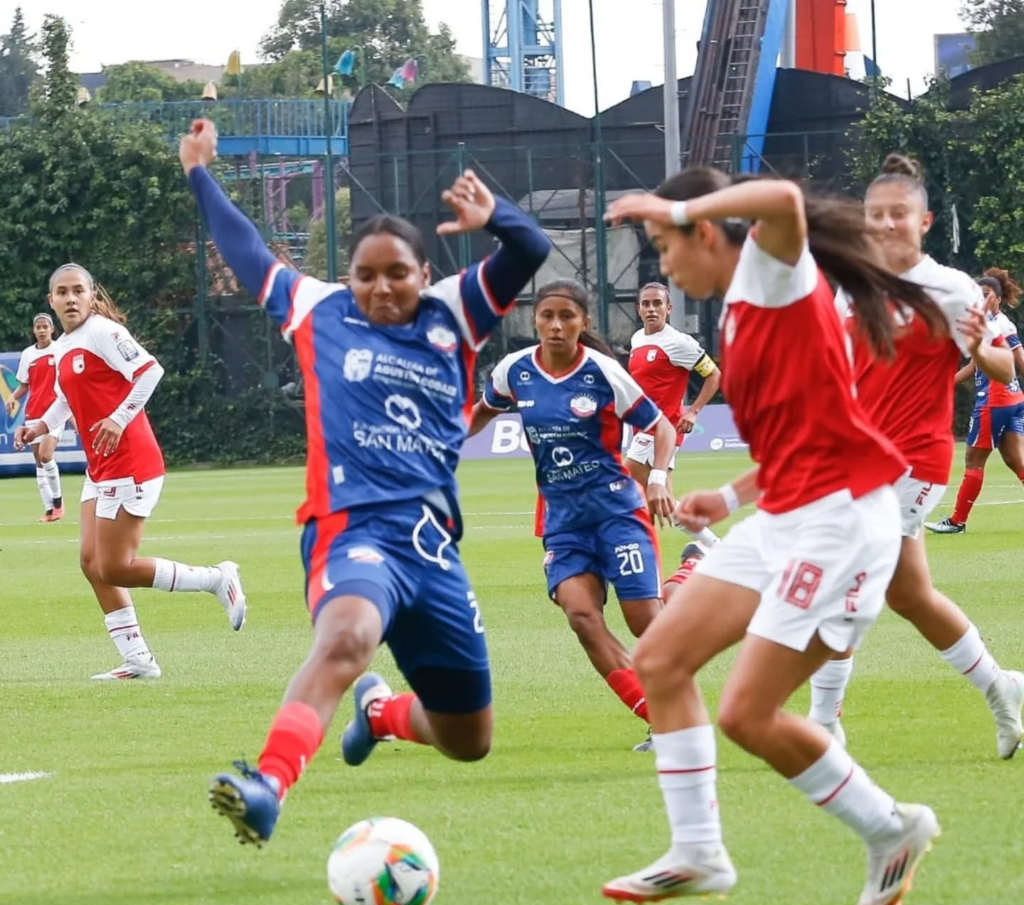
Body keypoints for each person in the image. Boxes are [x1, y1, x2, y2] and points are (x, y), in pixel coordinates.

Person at [177, 119, 552, 848]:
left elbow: (530, 249)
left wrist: (494, 216)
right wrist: (199, 171)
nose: (382, 287)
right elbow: (247, 248)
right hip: (352, 526)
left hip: (434, 548)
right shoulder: (317, 310)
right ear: (348, 279)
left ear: (422, 273)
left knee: (468, 738)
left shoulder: (456, 312)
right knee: (346, 640)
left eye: (398, 273)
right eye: (367, 274)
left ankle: (379, 716)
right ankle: (267, 785)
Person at [599, 167, 950, 905]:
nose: (661, 263)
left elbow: (783, 199)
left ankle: (891, 829)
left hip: (844, 524)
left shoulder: (770, 268)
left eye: (664, 242)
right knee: (660, 659)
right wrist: (728, 497)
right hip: (787, 516)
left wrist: (680, 202)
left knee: (747, 715)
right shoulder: (737, 313)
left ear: (702, 231)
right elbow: (806, 434)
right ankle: (698, 853)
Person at [806, 158, 1022, 760]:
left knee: (848, 578)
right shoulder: (853, 283)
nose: (885, 224)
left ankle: (823, 726)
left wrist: (981, 343)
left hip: (913, 462)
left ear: (923, 220)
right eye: (875, 215)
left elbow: (1005, 368)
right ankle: (1001, 687)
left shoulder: (951, 288)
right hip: (859, 457)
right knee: (911, 595)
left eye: (897, 214)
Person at [469, 279, 675, 750]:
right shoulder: (513, 372)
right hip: (564, 523)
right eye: (547, 316)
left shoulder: (603, 371)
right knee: (581, 616)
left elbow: (658, 426)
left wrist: (659, 477)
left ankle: (685, 579)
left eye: (567, 317)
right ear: (533, 320)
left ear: (583, 323)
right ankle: (662, 719)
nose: (556, 326)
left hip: (617, 514)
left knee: (646, 620)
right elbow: (482, 412)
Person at [14, 264, 247, 680]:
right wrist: (39, 426)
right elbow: (66, 401)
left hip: (131, 463)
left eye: (78, 291)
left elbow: (150, 370)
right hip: (101, 467)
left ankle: (216, 578)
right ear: (51, 301)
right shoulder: (63, 346)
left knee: (115, 567)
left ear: (90, 295)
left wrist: (119, 418)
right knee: (91, 562)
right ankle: (138, 659)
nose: (70, 298)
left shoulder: (103, 332)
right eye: (62, 292)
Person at [627, 282, 722, 558]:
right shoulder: (636, 339)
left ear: (669, 308)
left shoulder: (678, 343)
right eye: (646, 304)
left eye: (658, 304)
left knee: (622, 477)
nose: (651, 309)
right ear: (639, 309)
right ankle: (716, 550)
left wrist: (693, 411)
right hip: (641, 428)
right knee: (663, 503)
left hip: (661, 429)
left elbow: (714, 375)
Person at [927, 267, 1024, 534]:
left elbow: (1019, 361)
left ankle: (957, 521)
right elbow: (973, 367)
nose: (980, 300)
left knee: (973, 461)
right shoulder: (987, 324)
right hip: (1012, 399)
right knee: (1018, 462)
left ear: (998, 298)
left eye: (986, 295)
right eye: (977, 295)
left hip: (996, 400)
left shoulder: (1001, 325)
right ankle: (957, 521)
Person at [6, 314, 67, 522]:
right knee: (38, 462)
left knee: (45, 455)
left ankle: (59, 503)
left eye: (45, 326)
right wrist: (12, 398)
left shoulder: (61, 349)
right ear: (34, 331)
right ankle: (49, 509)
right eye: (38, 327)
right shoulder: (28, 354)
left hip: (55, 411)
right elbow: (24, 384)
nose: (42, 330)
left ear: (52, 329)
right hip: (34, 411)